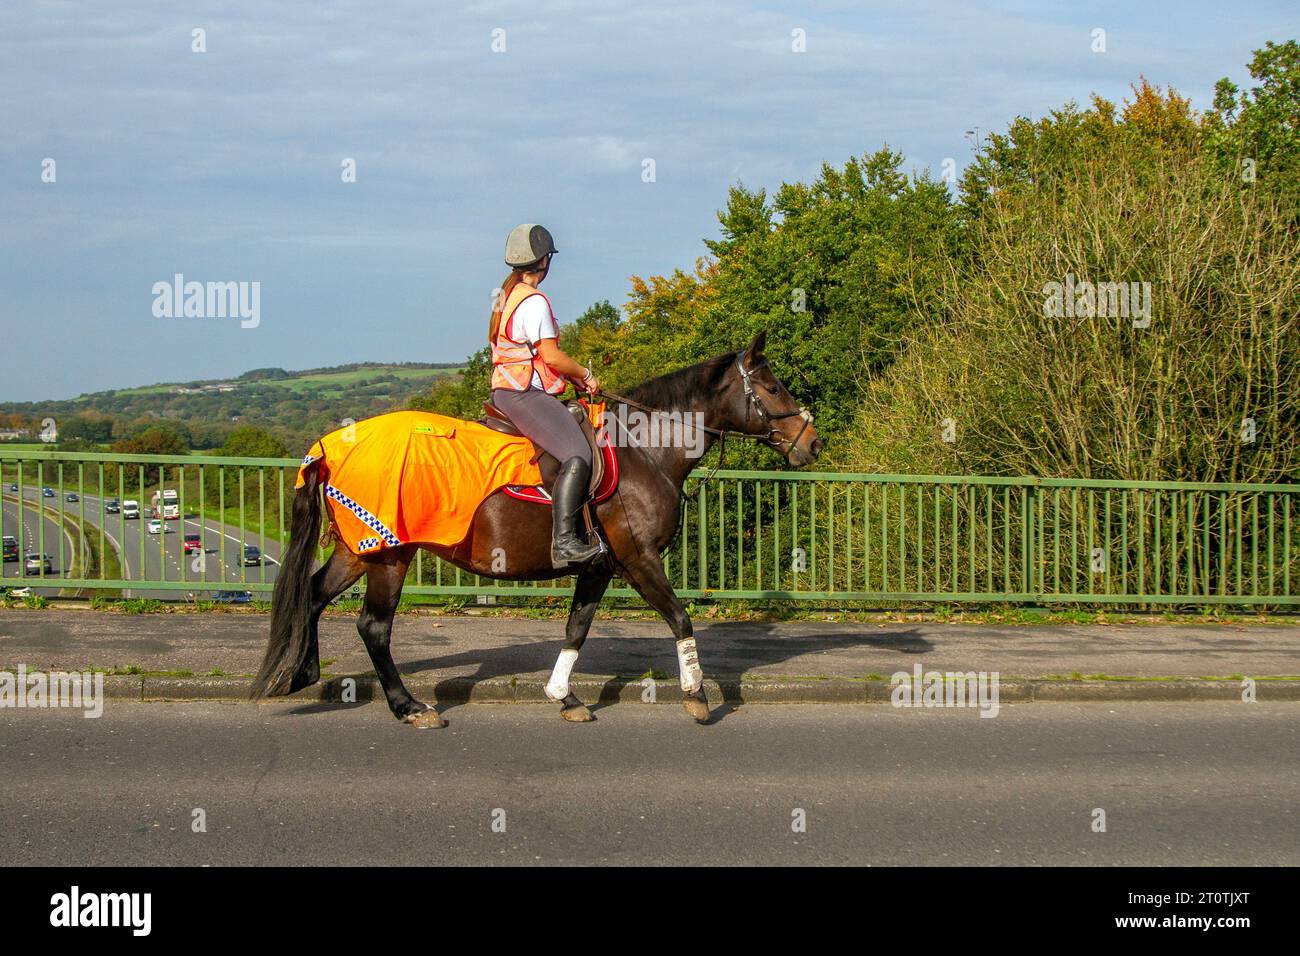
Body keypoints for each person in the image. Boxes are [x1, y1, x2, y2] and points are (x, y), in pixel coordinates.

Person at [489, 223, 604, 567]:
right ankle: (564, 542)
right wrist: (585, 374)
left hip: (508, 391)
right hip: (521, 395)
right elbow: (551, 355)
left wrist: (570, 380)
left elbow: (536, 357)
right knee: (578, 454)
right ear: (544, 261)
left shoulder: (507, 295)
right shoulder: (535, 301)